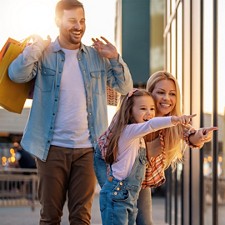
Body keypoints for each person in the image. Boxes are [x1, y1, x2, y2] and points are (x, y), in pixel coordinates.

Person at [8, 0, 133, 224]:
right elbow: (16, 74)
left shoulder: (96, 57)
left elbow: (124, 88)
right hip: (51, 148)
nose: (79, 26)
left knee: (81, 218)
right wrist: (36, 47)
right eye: (72, 20)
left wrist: (115, 58)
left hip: (87, 150)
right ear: (58, 21)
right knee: (50, 217)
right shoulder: (44, 53)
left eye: (82, 20)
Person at [99, 89, 195, 225]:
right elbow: (151, 125)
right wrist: (175, 119)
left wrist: (194, 133)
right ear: (130, 112)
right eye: (143, 108)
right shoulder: (128, 131)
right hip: (117, 194)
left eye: (151, 108)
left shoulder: (140, 138)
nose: (149, 113)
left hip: (129, 196)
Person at [136, 71, 218, 225]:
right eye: (161, 92)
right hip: (121, 182)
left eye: (172, 94)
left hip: (142, 185)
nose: (167, 98)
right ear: (150, 93)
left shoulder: (174, 124)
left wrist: (201, 135)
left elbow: (191, 135)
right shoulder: (137, 115)